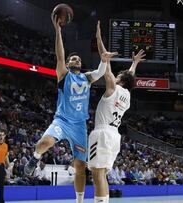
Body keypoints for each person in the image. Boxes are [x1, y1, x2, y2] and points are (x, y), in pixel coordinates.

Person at [24, 14, 117, 203]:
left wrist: (104, 60)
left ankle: (79, 201)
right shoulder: (64, 75)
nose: (76, 60)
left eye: (78, 60)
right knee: (44, 143)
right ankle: (34, 159)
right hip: (62, 121)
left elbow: (100, 72)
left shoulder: (86, 78)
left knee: (80, 166)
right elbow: (60, 54)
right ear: (67, 64)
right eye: (73, 59)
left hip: (79, 126)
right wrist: (58, 30)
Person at [87, 21, 145, 203]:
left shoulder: (112, 87)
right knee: (101, 173)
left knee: (97, 173)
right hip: (114, 136)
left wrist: (98, 38)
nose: (116, 76)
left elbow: (106, 62)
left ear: (119, 80)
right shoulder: (126, 95)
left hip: (102, 132)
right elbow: (129, 75)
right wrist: (134, 63)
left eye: (118, 76)